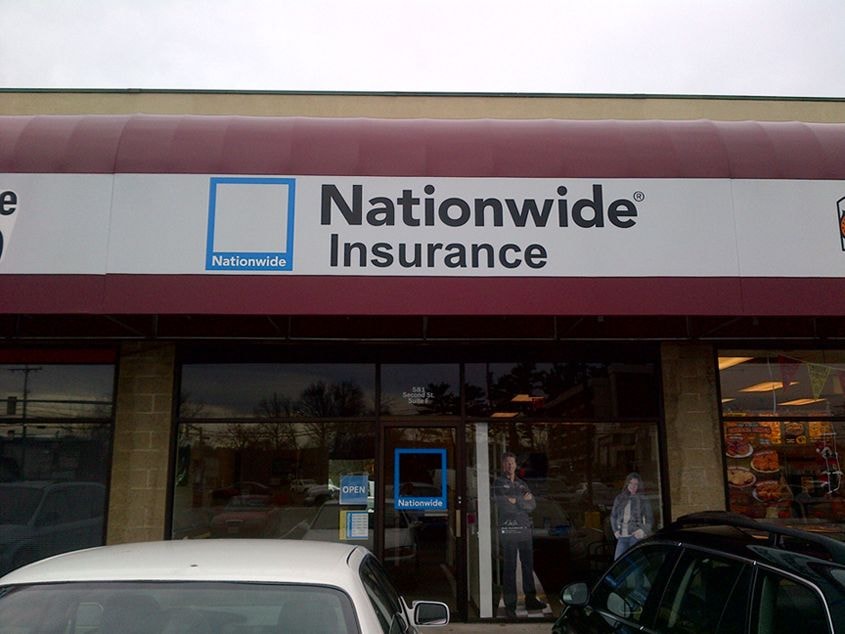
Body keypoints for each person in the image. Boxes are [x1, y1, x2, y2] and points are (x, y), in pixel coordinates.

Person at [493, 451, 546, 617]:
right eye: (507, 462)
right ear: (503, 465)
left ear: (516, 465)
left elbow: (532, 505)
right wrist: (522, 501)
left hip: (524, 529)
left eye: (512, 462)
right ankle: (510, 604)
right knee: (510, 567)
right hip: (509, 529)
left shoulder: (522, 484)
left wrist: (516, 500)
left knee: (527, 565)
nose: (510, 465)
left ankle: (530, 599)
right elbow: (505, 507)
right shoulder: (498, 484)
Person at [610, 472, 654, 559]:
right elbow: (613, 516)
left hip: (635, 537)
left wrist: (643, 531)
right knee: (618, 562)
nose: (633, 486)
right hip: (622, 537)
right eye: (631, 483)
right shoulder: (619, 498)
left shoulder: (643, 500)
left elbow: (650, 519)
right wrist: (615, 531)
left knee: (636, 561)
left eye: (636, 484)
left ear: (639, 486)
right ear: (627, 484)